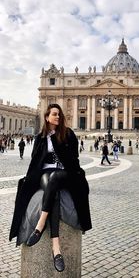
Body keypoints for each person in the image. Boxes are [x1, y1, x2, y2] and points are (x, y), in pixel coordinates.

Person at [9, 104, 92, 272]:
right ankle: (56, 249)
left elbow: (73, 160)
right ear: (47, 117)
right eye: (54, 114)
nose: (58, 117)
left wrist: (56, 139)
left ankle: (40, 225)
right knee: (51, 191)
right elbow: (35, 160)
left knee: (55, 178)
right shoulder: (40, 138)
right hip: (46, 173)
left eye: (59, 115)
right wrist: (29, 178)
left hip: (66, 172)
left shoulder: (68, 134)